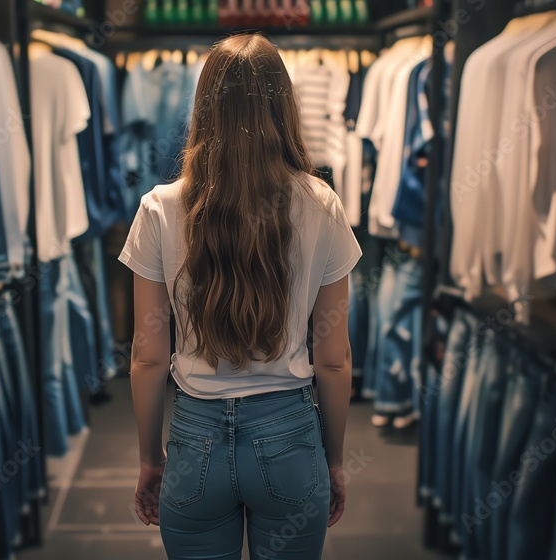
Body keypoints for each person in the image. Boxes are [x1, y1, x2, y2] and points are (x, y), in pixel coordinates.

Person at [118, 33, 362, 559]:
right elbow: (335, 359)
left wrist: (149, 459)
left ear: (203, 106)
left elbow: (148, 356)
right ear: (283, 104)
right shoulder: (322, 204)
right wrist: (333, 460)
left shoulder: (159, 208)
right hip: (291, 437)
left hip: (194, 439)